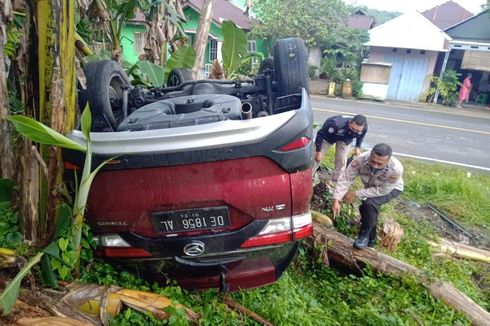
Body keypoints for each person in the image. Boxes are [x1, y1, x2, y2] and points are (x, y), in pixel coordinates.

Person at [331, 143, 404, 249]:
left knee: (369, 204)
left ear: (388, 161)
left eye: (380, 164)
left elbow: (382, 190)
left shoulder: (396, 169)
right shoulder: (360, 160)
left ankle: (364, 234)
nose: (375, 166)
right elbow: (346, 178)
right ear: (370, 155)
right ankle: (371, 240)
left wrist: (356, 194)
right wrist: (336, 199)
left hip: (390, 189)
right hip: (371, 186)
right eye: (373, 161)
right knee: (368, 209)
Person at [313, 114, 368, 185]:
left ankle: (334, 181)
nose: (355, 131)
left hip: (346, 138)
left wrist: (357, 147)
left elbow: (360, 136)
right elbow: (320, 134)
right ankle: (308, 177)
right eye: (353, 128)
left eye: (357, 130)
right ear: (349, 123)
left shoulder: (364, 128)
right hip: (329, 136)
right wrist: (318, 151)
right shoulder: (335, 124)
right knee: (315, 158)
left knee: (341, 160)